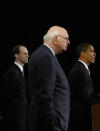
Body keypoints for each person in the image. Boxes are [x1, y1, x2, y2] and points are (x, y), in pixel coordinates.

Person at [28, 26, 70, 131]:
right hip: (49, 125)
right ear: (55, 40)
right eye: (66, 38)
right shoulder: (45, 57)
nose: (68, 42)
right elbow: (44, 96)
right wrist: (53, 124)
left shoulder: (47, 55)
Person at [68, 42, 100, 131]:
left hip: (84, 115)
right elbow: (86, 97)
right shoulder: (80, 70)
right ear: (83, 53)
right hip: (80, 118)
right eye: (91, 51)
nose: (95, 54)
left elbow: (90, 93)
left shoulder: (83, 68)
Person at [1, 45, 29, 131]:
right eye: (24, 53)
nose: (28, 56)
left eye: (28, 53)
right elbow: (5, 95)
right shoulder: (12, 72)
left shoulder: (20, 71)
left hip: (20, 118)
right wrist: (2, 112)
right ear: (16, 56)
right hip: (14, 119)